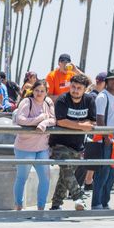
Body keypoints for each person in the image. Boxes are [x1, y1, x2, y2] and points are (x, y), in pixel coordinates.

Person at [48, 74, 94, 211]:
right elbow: (61, 121)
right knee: (67, 170)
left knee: (65, 175)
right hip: (59, 143)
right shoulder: (62, 99)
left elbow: (91, 121)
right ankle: (79, 197)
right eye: (73, 87)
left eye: (79, 88)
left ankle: (56, 205)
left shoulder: (89, 100)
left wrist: (77, 125)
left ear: (84, 89)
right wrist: (81, 126)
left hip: (77, 146)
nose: (75, 90)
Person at [12, 80, 55, 211]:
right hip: (24, 147)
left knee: (45, 178)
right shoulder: (27, 102)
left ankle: (41, 207)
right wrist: (39, 119)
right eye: (37, 90)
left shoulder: (49, 102)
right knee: (22, 177)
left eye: (42, 91)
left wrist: (44, 123)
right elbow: (21, 119)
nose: (39, 93)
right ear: (33, 91)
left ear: (46, 92)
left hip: (42, 147)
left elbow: (53, 119)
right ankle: (18, 205)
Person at [88, 69, 114, 210]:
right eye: (112, 79)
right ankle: (96, 202)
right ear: (107, 81)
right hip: (105, 140)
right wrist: (105, 136)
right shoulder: (103, 97)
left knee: (112, 175)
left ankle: (105, 201)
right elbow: (100, 118)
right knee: (102, 174)